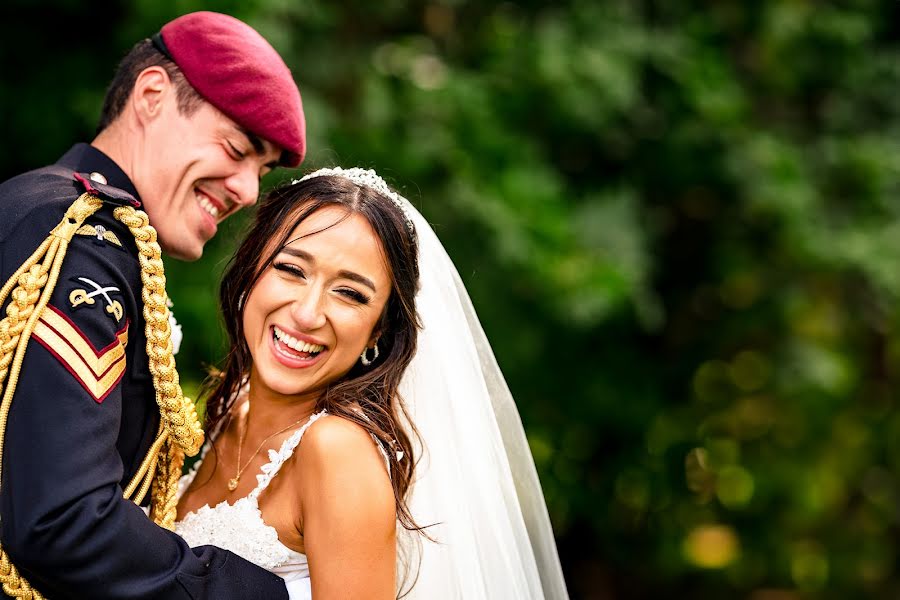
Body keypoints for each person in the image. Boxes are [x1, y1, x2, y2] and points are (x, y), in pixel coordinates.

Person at [0, 11, 304, 600]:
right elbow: (62, 521)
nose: (246, 190)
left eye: (260, 170)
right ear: (151, 95)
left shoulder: (31, 202)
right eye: (237, 148)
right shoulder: (85, 241)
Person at [175, 167, 570, 599]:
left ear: (378, 331)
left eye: (350, 294)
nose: (308, 314)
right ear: (252, 269)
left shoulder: (335, 449)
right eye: (291, 269)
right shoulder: (228, 410)